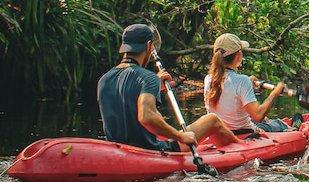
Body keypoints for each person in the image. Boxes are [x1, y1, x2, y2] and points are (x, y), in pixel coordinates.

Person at [98, 23, 238, 151]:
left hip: (118, 150)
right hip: (152, 151)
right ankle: (244, 148)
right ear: (149, 45)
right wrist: (179, 136)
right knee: (212, 120)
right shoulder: (148, 77)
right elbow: (146, 117)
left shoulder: (104, 79)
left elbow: (126, 101)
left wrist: (155, 87)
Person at [204, 33, 293, 135]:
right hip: (244, 134)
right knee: (277, 124)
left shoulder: (209, 79)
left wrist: (248, 83)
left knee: (263, 120)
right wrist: (275, 93)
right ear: (239, 55)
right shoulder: (242, 81)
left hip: (222, 135)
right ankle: (294, 129)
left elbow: (230, 87)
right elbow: (258, 116)